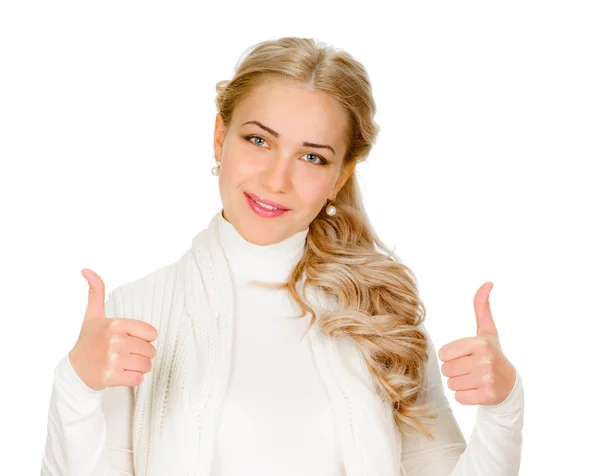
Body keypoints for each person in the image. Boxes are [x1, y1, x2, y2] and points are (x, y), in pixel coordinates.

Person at [40, 36, 524, 476]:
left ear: (340, 176)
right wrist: (76, 387)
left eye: (312, 156)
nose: (276, 180)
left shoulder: (379, 314)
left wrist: (503, 407)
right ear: (218, 137)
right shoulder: (137, 313)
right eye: (258, 140)